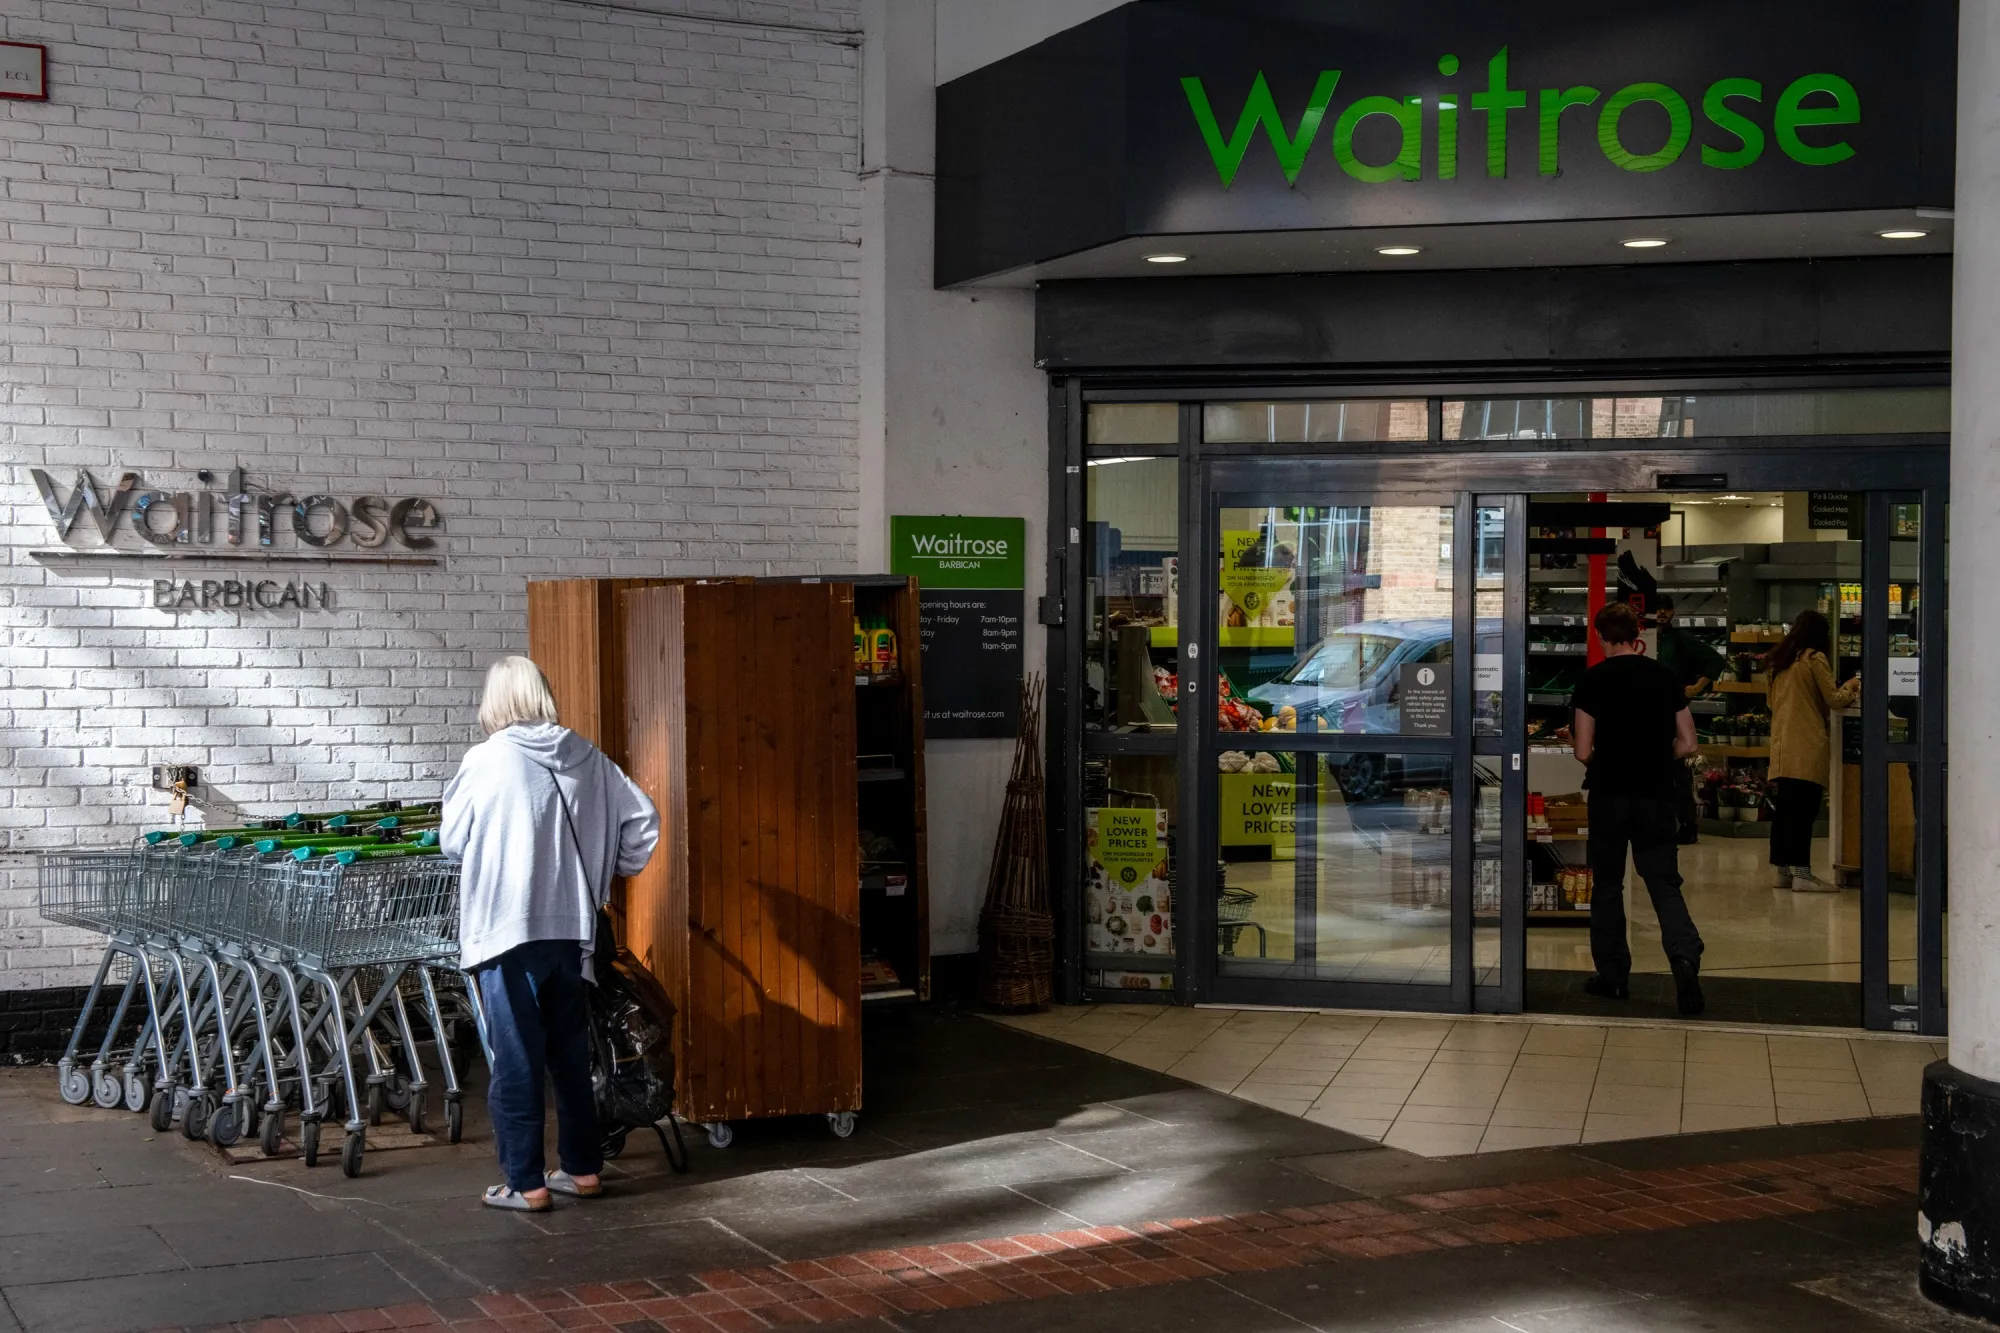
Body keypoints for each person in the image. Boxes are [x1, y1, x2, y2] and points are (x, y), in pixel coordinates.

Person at [442, 656, 660, 1212]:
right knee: (571, 1054)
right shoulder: (589, 757)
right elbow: (644, 823)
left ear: (495, 701)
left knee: (515, 1060)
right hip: (573, 931)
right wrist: (615, 865)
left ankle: (525, 1183)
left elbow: (452, 840)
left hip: (506, 930)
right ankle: (584, 1170)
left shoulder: (486, 760)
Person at [1571, 601, 1706, 1016]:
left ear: (1601, 637)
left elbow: (1582, 750)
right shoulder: (1665, 678)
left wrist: (1609, 759)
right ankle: (1683, 957)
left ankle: (1613, 977)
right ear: (1637, 636)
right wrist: (1656, 756)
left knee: (1608, 886)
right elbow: (1689, 743)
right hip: (1656, 795)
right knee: (1664, 883)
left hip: (1610, 796)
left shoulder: (1592, 681)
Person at [1763, 611, 1860, 892]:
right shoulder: (1814, 658)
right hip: (1807, 744)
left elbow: (1771, 703)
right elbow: (1834, 699)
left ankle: (1783, 872)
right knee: (1804, 811)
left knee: (1784, 811)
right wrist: (1851, 687)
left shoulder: (1778, 662)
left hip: (1782, 746)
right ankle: (1803, 875)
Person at [1654, 594, 1728, 843]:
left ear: (1673, 612)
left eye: (1666, 608)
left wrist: (1696, 688)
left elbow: (1715, 661)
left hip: (1674, 713)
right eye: (1658, 609)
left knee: (1677, 772)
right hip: (1650, 712)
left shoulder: (1681, 640)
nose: (1662, 613)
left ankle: (1686, 826)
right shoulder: (1643, 639)